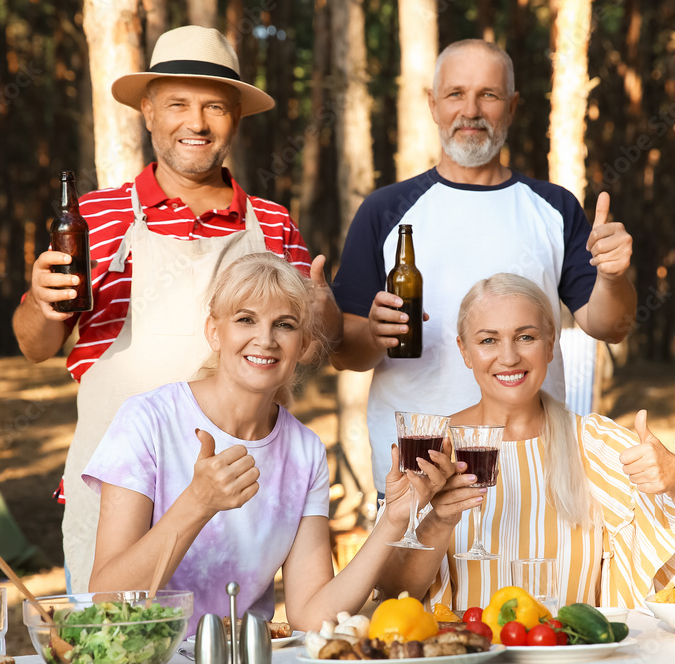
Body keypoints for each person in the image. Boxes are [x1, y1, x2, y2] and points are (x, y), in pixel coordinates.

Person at [11, 26, 340, 594]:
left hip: (238, 492)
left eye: (215, 106)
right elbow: (36, 345)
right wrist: (42, 303)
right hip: (114, 494)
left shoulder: (274, 224)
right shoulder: (95, 216)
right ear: (147, 111)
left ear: (236, 117)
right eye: (178, 104)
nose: (197, 123)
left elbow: (312, 344)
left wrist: (326, 310)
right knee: (112, 639)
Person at [330, 38, 636, 499]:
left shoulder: (554, 208)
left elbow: (609, 325)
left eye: (488, 95)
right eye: (455, 94)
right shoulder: (384, 210)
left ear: (511, 107)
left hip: (534, 466)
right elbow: (342, 354)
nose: (470, 110)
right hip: (421, 468)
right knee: (419, 576)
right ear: (432, 105)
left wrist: (613, 276)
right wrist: (373, 335)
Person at [83, 253, 447, 631]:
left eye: (284, 325)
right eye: (245, 319)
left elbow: (310, 614)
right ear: (214, 331)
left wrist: (391, 522)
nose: (265, 339)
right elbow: (108, 598)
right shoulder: (147, 420)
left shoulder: (305, 450)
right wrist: (197, 503)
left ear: (304, 344)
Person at [378, 274, 675, 609]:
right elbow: (393, 590)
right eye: (488, 340)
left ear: (550, 344)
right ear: (465, 351)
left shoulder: (593, 443)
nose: (509, 356)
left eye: (526, 337)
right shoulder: (431, 450)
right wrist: (438, 521)